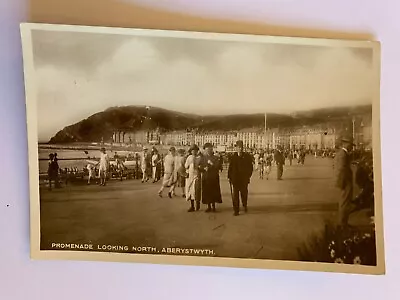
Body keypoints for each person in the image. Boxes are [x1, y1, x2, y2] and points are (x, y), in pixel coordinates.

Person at [228, 140, 253, 216]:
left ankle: (244, 205)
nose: (240, 149)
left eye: (241, 147)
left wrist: (248, 176)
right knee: (235, 195)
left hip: (244, 179)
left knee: (244, 194)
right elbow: (230, 168)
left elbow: (250, 167)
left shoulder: (247, 156)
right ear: (236, 148)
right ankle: (236, 210)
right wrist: (229, 177)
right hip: (235, 180)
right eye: (238, 147)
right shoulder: (233, 157)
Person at [334, 137, 355, 227]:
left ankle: (344, 222)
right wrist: (346, 182)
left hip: (343, 180)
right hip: (345, 181)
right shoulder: (343, 154)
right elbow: (342, 169)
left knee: (344, 201)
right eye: (351, 145)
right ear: (346, 144)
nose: (351, 147)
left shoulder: (342, 153)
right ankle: (343, 223)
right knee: (345, 202)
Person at [199, 143, 222, 212]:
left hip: (213, 178)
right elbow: (199, 167)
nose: (208, 151)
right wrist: (203, 168)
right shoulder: (203, 158)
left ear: (212, 150)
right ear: (205, 150)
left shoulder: (216, 158)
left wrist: (212, 164)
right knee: (207, 192)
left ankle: (213, 206)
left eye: (210, 149)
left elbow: (218, 166)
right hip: (206, 178)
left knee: (213, 192)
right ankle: (208, 206)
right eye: (207, 150)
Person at [185, 144, 202, 212]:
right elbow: (186, 166)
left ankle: (197, 204)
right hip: (190, 175)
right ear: (191, 151)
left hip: (196, 175)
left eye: (195, 150)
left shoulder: (199, 158)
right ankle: (192, 206)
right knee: (191, 190)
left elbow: (201, 166)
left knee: (197, 190)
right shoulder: (189, 157)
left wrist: (199, 167)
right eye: (192, 150)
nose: (194, 152)